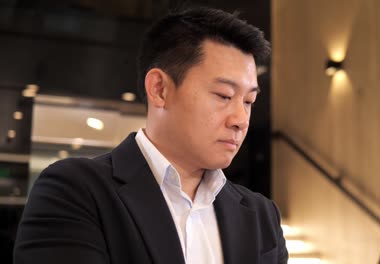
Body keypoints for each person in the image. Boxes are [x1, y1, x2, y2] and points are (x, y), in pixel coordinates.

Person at [14, 7, 288, 264]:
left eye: (249, 101)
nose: (240, 119)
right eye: (223, 95)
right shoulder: (75, 192)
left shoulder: (261, 215)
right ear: (159, 89)